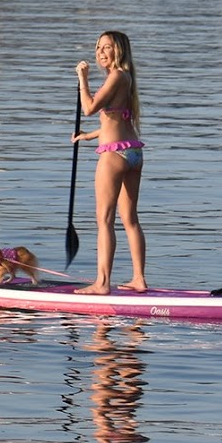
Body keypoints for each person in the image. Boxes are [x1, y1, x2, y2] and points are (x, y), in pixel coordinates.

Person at [73, 31, 146, 295]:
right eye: (98, 47)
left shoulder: (115, 76)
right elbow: (115, 120)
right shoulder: (125, 78)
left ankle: (102, 283)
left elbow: (90, 108)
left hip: (114, 155)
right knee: (130, 219)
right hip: (134, 152)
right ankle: (139, 279)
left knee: (104, 219)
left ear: (119, 51)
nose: (101, 52)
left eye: (107, 47)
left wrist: (83, 80)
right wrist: (88, 135)